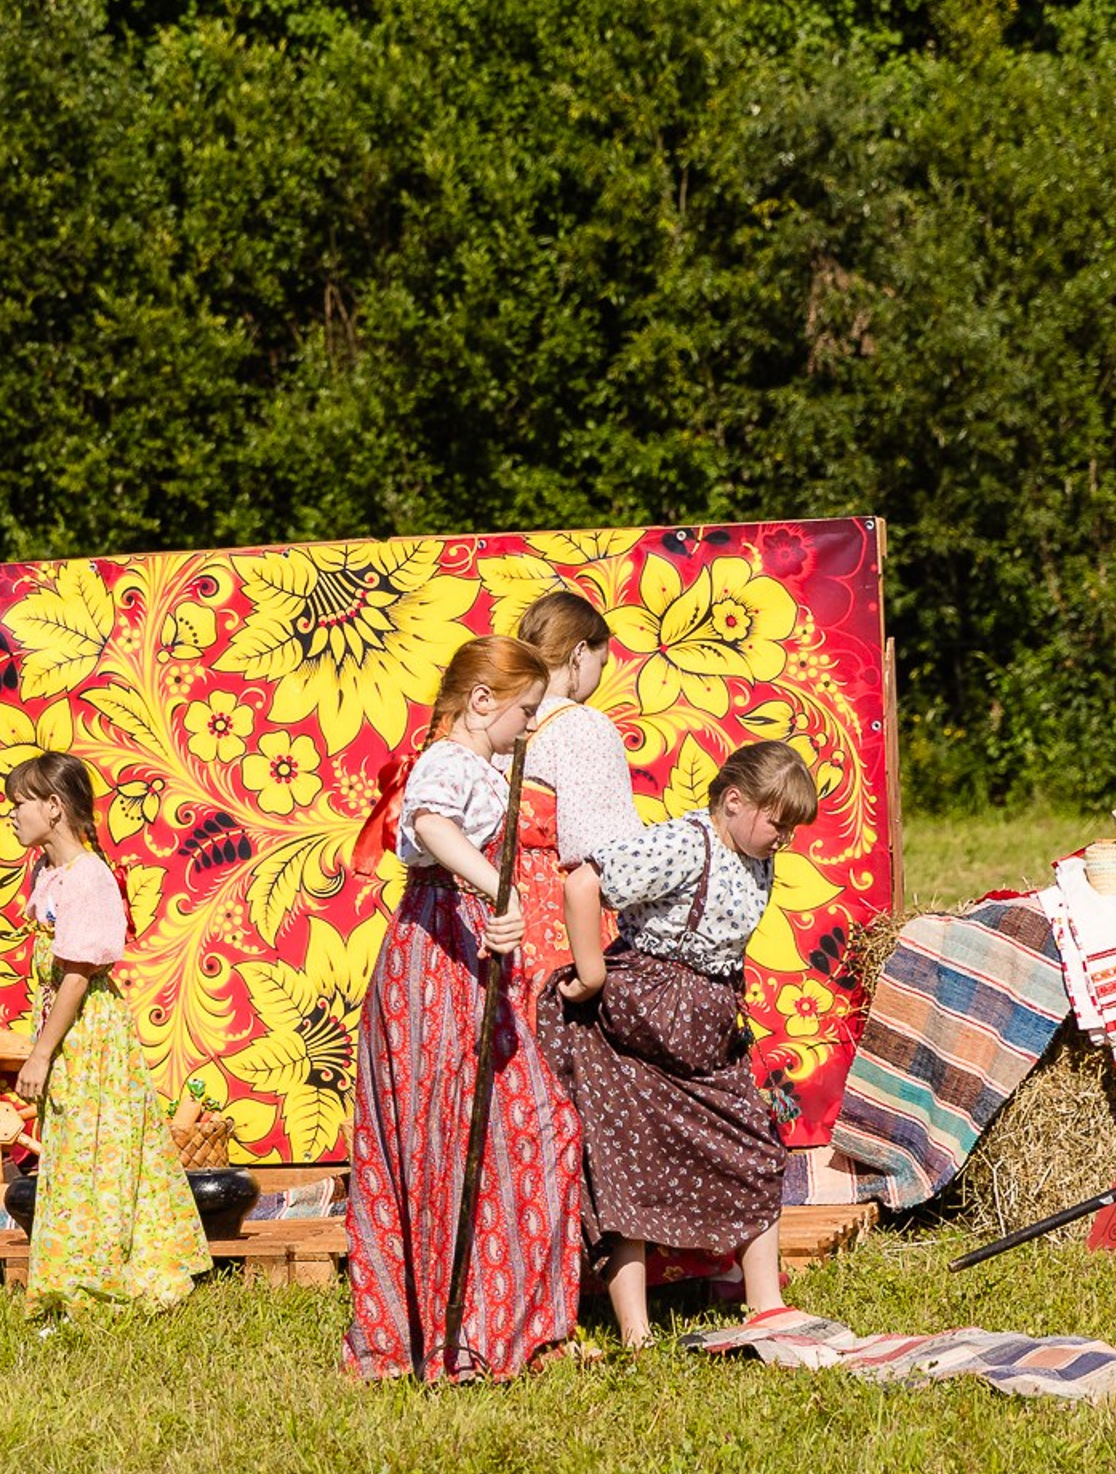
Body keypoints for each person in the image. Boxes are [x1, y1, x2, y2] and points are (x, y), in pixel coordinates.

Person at [343, 634, 582, 1383]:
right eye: (524, 712)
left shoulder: (479, 761)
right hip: (437, 961)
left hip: (471, 959)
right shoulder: (448, 760)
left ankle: (501, 1324)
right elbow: (430, 826)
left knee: (534, 1129)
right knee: (447, 1136)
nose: (527, 728)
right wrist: (498, 888)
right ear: (482, 702)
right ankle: (453, 1339)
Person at [538, 738, 819, 1346]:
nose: (784, 838)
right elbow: (584, 883)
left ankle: (764, 1303)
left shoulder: (755, 855)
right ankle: (636, 1332)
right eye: (778, 823)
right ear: (736, 801)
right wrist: (589, 974)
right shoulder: (683, 844)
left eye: (792, 828)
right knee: (626, 1169)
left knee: (754, 1147)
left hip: (703, 1033)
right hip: (634, 1028)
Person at [5, 753, 209, 1316]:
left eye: (20, 804)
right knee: (73, 1148)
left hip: (88, 1035)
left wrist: (41, 1053)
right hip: (68, 1032)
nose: (12, 816)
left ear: (53, 807)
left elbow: (77, 975)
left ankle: (104, 1272)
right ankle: (72, 1267)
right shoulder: (50, 873)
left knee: (99, 1149)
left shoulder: (89, 878)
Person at [510, 587, 642, 980]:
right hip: (556, 923)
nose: (598, 679)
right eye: (600, 663)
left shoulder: (502, 721)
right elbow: (604, 849)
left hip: (495, 914)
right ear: (579, 653)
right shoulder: (582, 725)